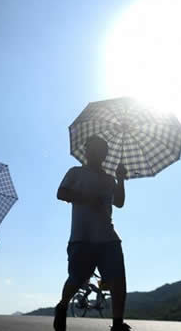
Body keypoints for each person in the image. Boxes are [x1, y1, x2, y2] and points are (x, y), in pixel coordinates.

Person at [53, 135, 130, 331]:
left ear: (105, 154)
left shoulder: (108, 179)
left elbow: (119, 202)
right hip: (82, 237)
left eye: (101, 149)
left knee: (117, 279)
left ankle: (118, 324)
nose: (97, 152)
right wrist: (88, 198)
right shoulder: (75, 172)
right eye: (93, 148)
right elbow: (61, 193)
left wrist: (120, 179)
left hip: (108, 237)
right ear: (86, 152)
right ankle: (62, 306)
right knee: (77, 279)